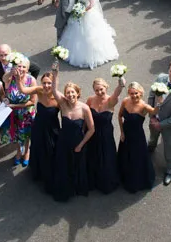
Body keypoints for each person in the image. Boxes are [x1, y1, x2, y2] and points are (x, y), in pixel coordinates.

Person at [49, 71, 95, 202]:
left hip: (78, 142)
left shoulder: (85, 108)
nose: (70, 95)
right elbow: (53, 90)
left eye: (72, 92)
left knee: (77, 165)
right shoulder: (63, 104)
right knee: (63, 165)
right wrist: (55, 74)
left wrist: (81, 145)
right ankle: (65, 189)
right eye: (68, 92)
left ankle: (77, 188)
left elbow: (91, 129)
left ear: (77, 93)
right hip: (63, 141)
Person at [58, 0, 119, 69]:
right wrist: (77, 9)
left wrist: (83, 10)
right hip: (79, 13)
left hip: (87, 13)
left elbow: (92, 3)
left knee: (90, 34)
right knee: (75, 32)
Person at [16, 71, 60, 189]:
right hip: (38, 126)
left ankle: (49, 172)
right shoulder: (39, 90)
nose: (46, 86)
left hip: (52, 129)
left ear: (54, 83)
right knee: (38, 146)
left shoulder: (58, 97)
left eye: (49, 83)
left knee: (51, 149)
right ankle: (37, 171)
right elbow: (23, 90)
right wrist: (18, 79)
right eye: (44, 83)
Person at [117, 83, 161, 193]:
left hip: (137, 137)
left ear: (140, 93)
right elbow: (119, 116)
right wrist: (122, 132)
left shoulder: (144, 106)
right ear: (128, 93)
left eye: (136, 93)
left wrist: (159, 102)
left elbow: (154, 111)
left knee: (136, 159)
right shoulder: (125, 101)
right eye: (131, 93)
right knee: (124, 156)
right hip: (126, 134)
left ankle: (135, 180)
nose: (134, 95)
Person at [85, 77, 124, 194]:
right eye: (96, 90)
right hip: (92, 133)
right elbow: (86, 114)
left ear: (106, 87)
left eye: (101, 89)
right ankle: (93, 179)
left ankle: (106, 182)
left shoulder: (111, 101)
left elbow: (117, 93)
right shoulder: (90, 100)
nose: (99, 92)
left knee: (106, 157)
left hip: (106, 134)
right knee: (93, 155)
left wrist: (121, 84)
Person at [0, 55, 37, 166]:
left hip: (25, 113)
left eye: (24, 67)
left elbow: (32, 101)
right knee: (16, 135)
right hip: (13, 113)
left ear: (28, 69)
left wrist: (16, 106)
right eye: (19, 66)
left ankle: (26, 152)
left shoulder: (31, 80)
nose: (21, 69)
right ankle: (18, 151)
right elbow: (4, 79)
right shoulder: (11, 78)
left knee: (25, 135)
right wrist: (11, 73)